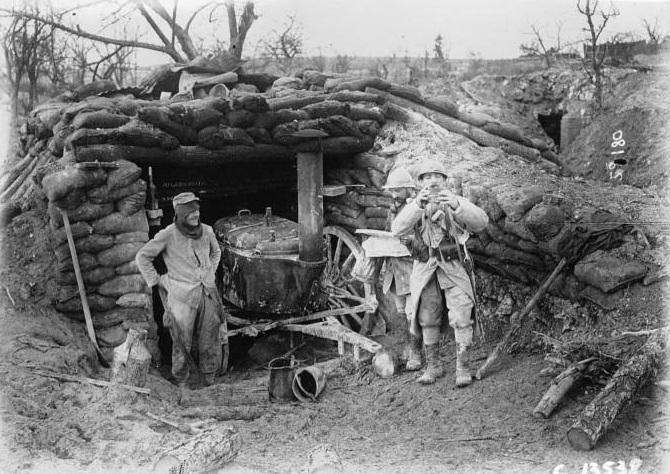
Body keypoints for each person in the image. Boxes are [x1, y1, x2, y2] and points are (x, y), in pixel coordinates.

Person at [391, 159, 488, 386]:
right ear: (420, 183)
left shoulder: (455, 201)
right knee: (426, 316)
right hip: (425, 267)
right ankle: (433, 366)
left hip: (454, 266)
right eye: (427, 177)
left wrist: (456, 205)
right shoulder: (415, 204)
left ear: (445, 180)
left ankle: (462, 368)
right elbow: (397, 229)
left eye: (437, 176)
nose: (432, 180)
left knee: (462, 314)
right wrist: (417, 205)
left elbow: (481, 222)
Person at [136, 192, 223, 389]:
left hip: (207, 293)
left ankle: (209, 379)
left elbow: (216, 252)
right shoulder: (168, 235)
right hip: (181, 296)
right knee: (181, 340)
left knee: (210, 336)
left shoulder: (207, 231)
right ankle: (182, 381)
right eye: (190, 212)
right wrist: (158, 281)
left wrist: (210, 272)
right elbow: (143, 257)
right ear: (181, 214)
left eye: (197, 210)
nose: (195, 215)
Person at [380, 168, 422, 371]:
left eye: (398, 190)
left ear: (409, 189)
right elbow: (390, 231)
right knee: (401, 311)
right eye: (392, 190)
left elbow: (425, 237)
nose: (394, 194)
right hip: (396, 268)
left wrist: (412, 240)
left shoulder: (416, 208)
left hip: (411, 266)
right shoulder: (393, 207)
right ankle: (409, 345)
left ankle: (416, 353)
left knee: (412, 312)